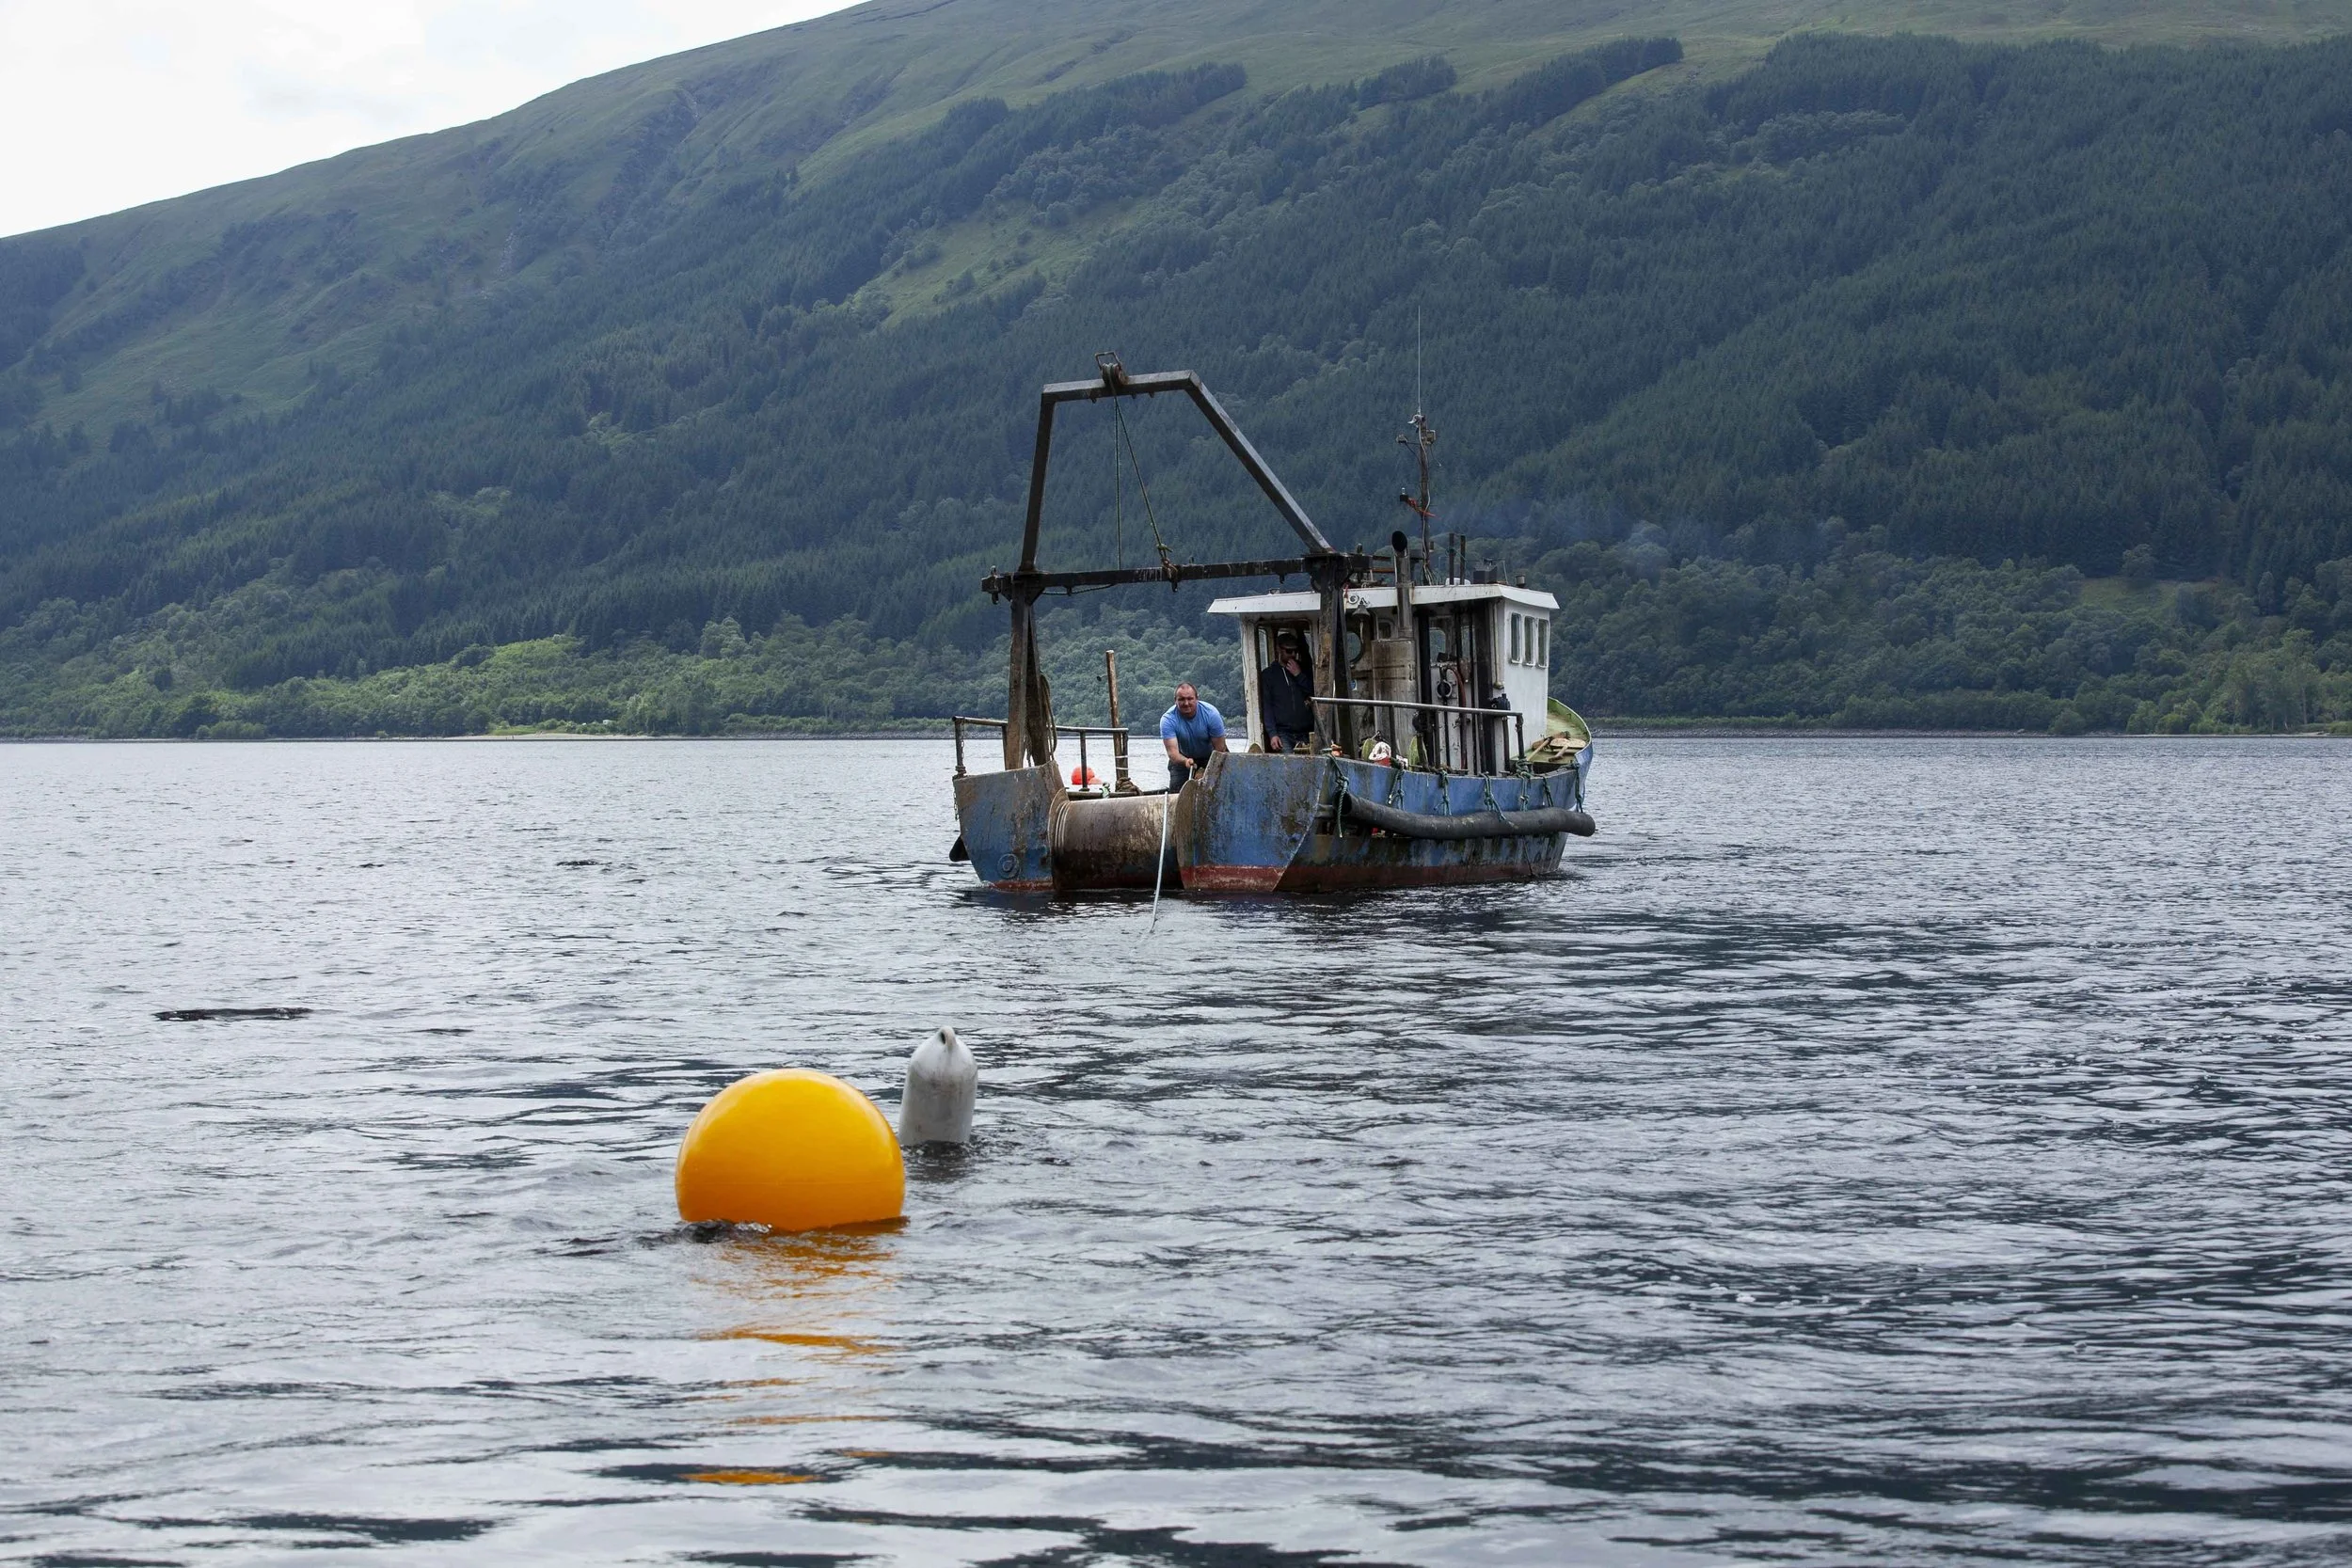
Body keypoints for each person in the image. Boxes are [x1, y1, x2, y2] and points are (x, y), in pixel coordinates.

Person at [1159, 681, 1227, 789]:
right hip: (1182, 759)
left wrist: (1207, 769)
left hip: (1212, 756)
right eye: (1181, 699)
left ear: (1197, 699)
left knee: (1221, 789)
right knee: (1177, 793)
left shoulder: (1211, 714)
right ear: (1175, 701)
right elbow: (1173, 753)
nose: (1186, 703)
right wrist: (1185, 761)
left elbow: (1220, 748)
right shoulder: (1168, 719)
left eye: (1190, 699)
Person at [1257, 629, 1315, 752]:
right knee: (1289, 767)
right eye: (1289, 651)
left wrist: (1298, 675)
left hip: (1306, 732)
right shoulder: (1269, 675)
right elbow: (1267, 706)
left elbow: (1313, 694)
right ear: (1279, 649)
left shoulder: (1304, 670)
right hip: (1283, 733)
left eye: (1295, 651)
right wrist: (1273, 734)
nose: (1293, 654)